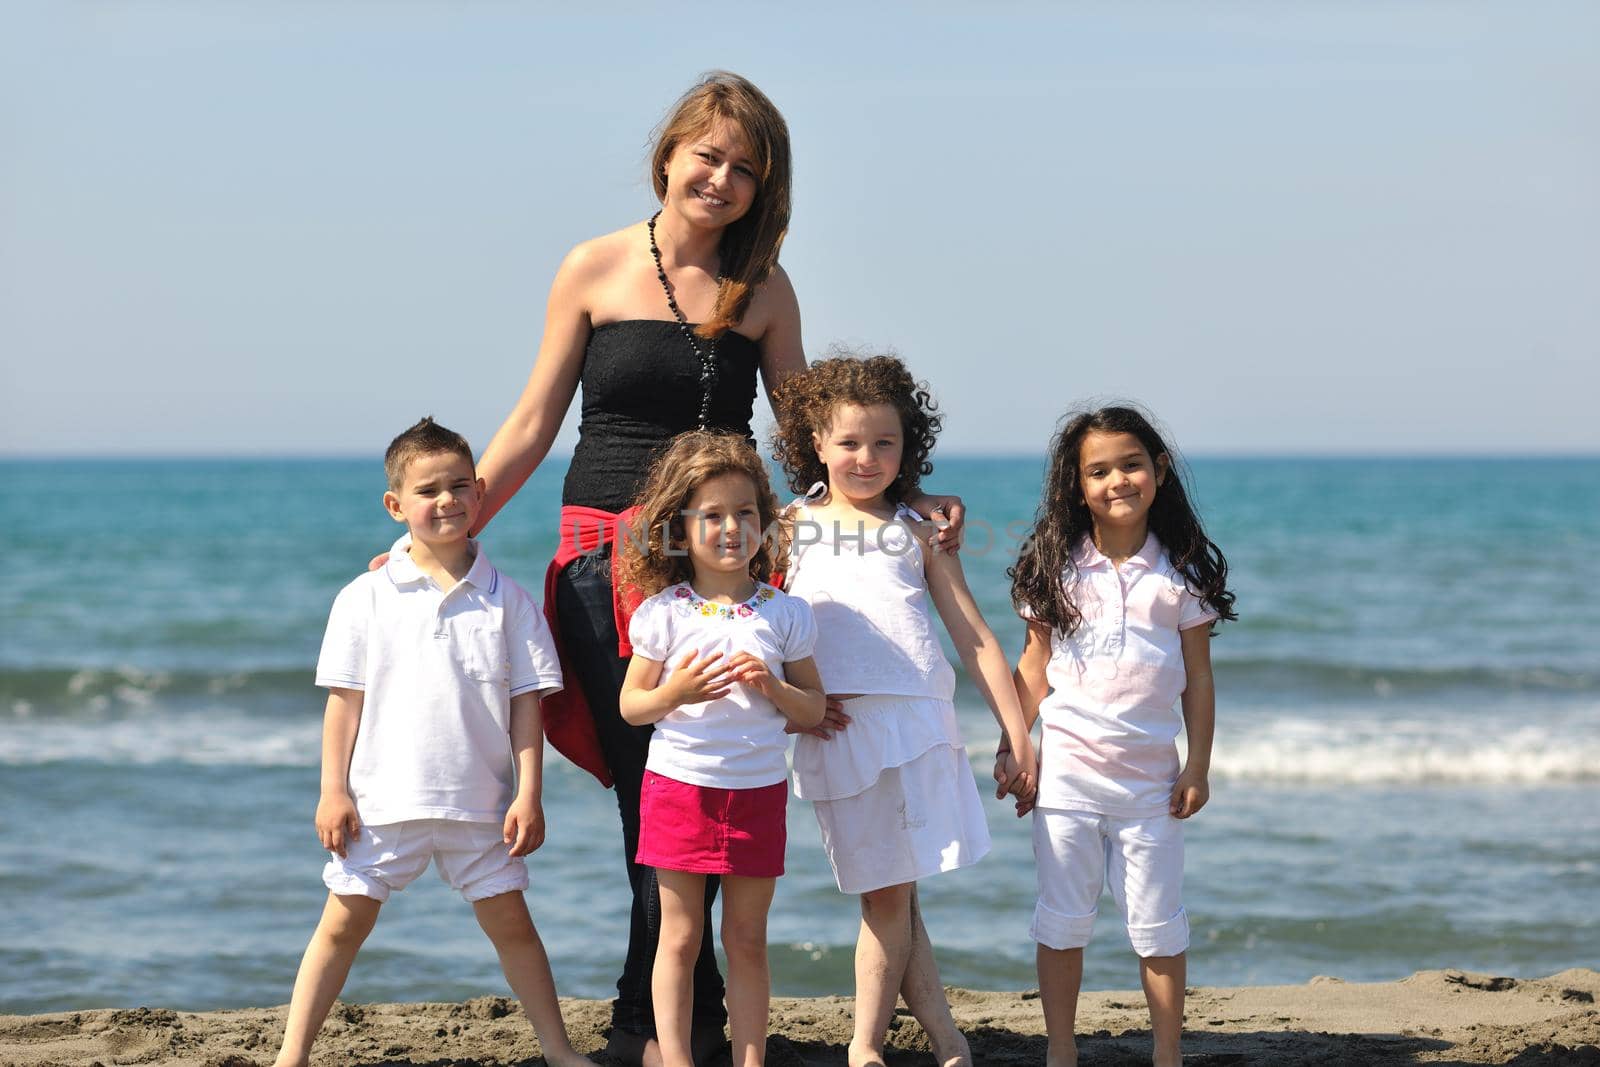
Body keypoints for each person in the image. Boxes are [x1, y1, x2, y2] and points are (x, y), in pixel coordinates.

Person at [463, 71, 964, 1065]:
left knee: (685, 792)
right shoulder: (594, 267)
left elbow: (808, 435)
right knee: (646, 795)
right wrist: (449, 526)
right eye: (709, 155)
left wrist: (909, 501)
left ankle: (656, 1023)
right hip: (602, 555)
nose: (722, 177)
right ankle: (656, 1019)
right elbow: (529, 424)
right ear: (669, 154)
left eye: (745, 167)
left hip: (721, 565)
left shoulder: (763, 289)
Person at [274, 418, 592, 1067]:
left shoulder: (510, 601)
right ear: (396, 505)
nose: (445, 500)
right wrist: (332, 789)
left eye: (457, 486)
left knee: (514, 929)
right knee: (340, 926)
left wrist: (530, 793)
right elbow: (343, 703)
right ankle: (292, 1054)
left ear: (479, 492)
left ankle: (558, 1050)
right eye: (427, 490)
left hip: (481, 806)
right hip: (382, 803)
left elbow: (526, 706)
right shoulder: (364, 596)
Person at [769, 354, 1038, 1067]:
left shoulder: (920, 529)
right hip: (841, 730)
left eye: (884, 443)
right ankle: (911, 1041)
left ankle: (888, 1045)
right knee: (886, 891)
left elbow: (974, 636)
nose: (866, 457)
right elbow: (754, 624)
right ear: (815, 444)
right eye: (849, 442)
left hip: (919, 723)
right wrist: (792, 705)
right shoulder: (786, 526)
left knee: (897, 888)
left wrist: (1019, 732)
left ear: (907, 449)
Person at [1000, 405, 1237, 1067]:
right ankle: (1060, 1049)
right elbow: (1032, 668)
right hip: (1067, 777)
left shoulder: (1181, 574)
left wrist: (1199, 765)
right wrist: (1013, 746)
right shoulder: (1055, 567)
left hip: (1151, 784)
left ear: (1158, 469)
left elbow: (1198, 679)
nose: (1117, 480)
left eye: (1131, 464)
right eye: (1098, 470)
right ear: (1077, 486)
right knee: (1061, 920)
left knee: (1159, 928)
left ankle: (1167, 1053)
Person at [615, 431, 826, 1067]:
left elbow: (814, 709)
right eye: (712, 515)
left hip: (758, 790)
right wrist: (674, 690)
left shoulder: (785, 613)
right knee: (677, 938)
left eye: (745, 513)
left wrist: (775, 687)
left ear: (764, 523)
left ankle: (750, 1059)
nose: (731, 528)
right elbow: (631, 707)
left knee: (748, 939)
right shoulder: (662, 613)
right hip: (679, 788)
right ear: (680, 530)